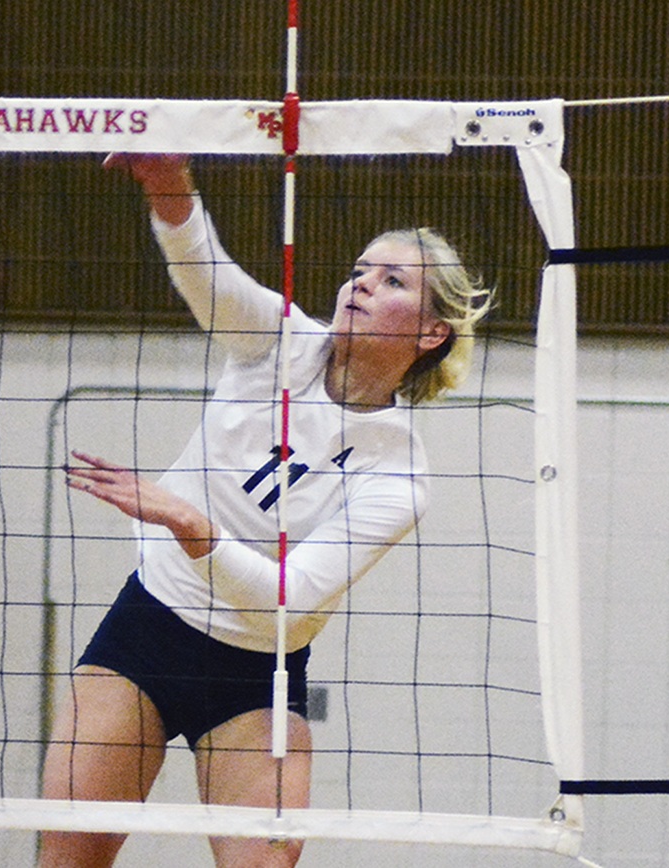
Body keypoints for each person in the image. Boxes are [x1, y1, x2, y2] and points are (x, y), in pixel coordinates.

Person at [39, 154, 491, 868]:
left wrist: (195, 528)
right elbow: (206, 275)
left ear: (431, 333)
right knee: (67, 857)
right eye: (360, 270)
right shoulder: (279, 343)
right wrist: (168, 187)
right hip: (147, 632)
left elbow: (292, 596)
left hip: (259, 674)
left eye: (393, 280)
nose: (362, 284)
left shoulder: (399, 475)